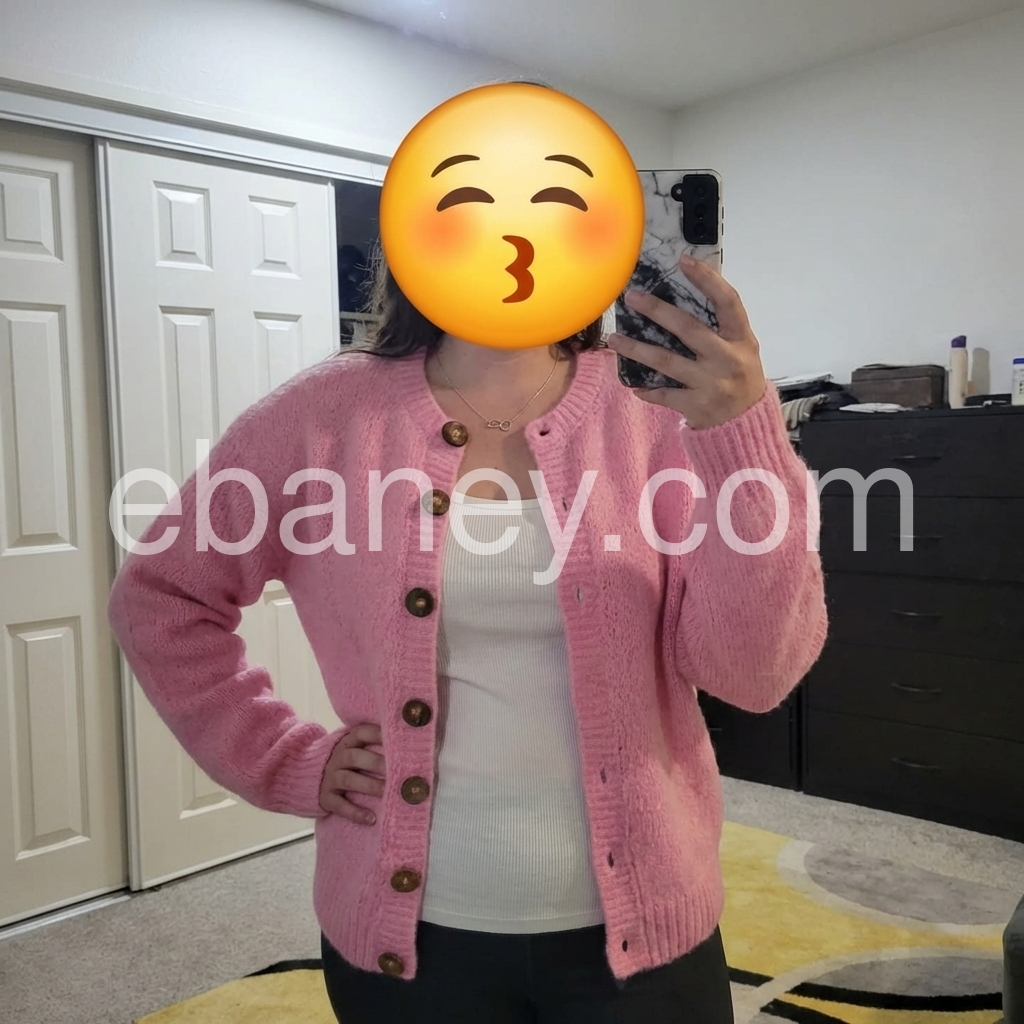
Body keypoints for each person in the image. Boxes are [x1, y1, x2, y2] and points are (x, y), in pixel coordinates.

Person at [107, 248, 828, 1024]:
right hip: (413, 944)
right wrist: (280, 757)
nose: (514, 247)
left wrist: (742, 440)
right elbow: (162, 598)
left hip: (648, 936)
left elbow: (753, 676)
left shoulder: (656, 415)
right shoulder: (322, 418)